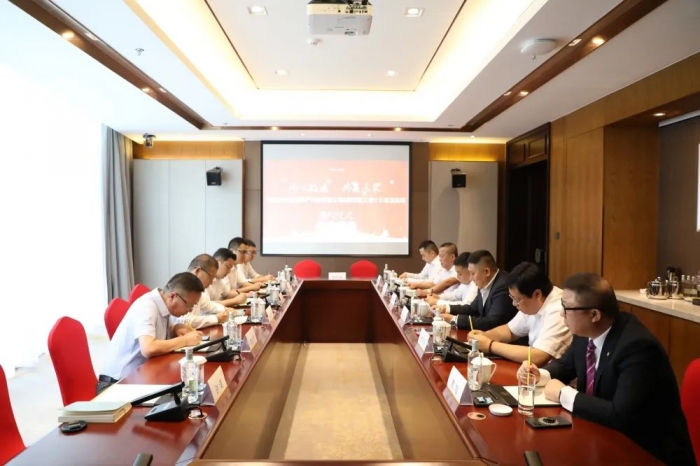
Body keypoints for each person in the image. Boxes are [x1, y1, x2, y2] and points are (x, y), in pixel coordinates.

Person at [518, 273, 695, 466]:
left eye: (566, 308)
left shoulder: (638, 347)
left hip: (646, 453)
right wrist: (539, 374)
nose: (562, 314)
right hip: (599, 439)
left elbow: (620, 415)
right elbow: (566, 366)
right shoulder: (585, 332)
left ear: (594, 315)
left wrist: (563, 394)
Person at [98, 272, 204, 393]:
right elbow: (149, 348)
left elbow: (162, 333)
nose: (189, 311)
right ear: (173, 296)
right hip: (115, 385)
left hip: (139, 378)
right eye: (189, 305)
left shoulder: (163, 304)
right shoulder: (147, 306)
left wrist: (175, 329)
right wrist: (185, 340)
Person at [467, 262, 570, 364]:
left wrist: (490, 345)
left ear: (537, 294)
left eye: (516, 299)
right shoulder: (532, 303)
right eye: (512, 298)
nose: (513, 303)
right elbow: (510, 331)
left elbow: (539, 356)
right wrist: (485, 336)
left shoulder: (558, 311)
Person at [442, 250, 517, 331]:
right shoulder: (484, 281)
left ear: (486, 272)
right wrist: (446, 308)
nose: (471, 278)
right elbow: (472, 309)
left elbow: (491, 322)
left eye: (473, 274)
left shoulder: (503, 286)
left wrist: (455, 319)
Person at [178, 254, 234, 329]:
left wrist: (225, 309)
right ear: (197, 271)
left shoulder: (196, 288)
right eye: (210, 278)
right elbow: (184, 320)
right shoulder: (182, 287)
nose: (211, 283)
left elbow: (207, 305)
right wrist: (216, 318)